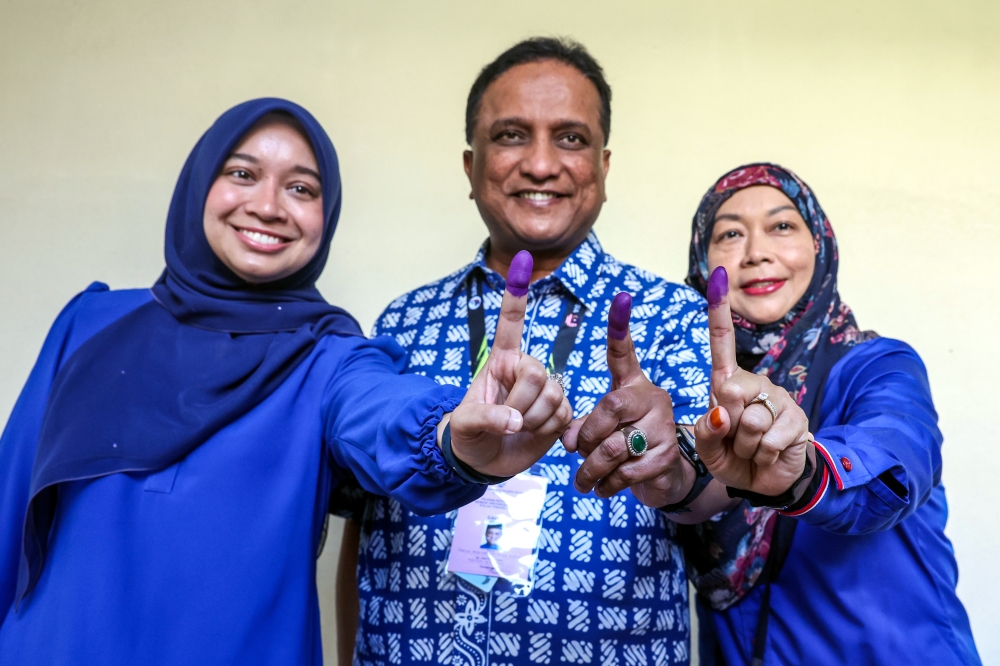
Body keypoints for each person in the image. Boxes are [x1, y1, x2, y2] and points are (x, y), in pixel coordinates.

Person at [0, 98, 572, 665]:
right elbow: (8, 505)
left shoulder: (330, 359)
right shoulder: (90, 324)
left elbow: (382, 411)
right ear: (199, 183)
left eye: (301, 188)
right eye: (242, 174)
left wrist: (452, 436)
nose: (269, 205)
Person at [339, 38, 713, 666]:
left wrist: (667, 460)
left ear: (603, 165)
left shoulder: (672, 316)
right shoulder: (401, 323)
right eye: (512, 135)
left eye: (570, 138)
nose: (541, 164)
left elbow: (705, 490)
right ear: (470, 165)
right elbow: (364, 522)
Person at [575, 163, 981, 665]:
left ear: (820, 245)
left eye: (782, 225)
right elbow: (688, 488)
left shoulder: (877, 365)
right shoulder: (691, 396)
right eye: (729, 234)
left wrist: (804, 473)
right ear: (703, 262)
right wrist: (667, 466)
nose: (757, 251)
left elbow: (897, 459)